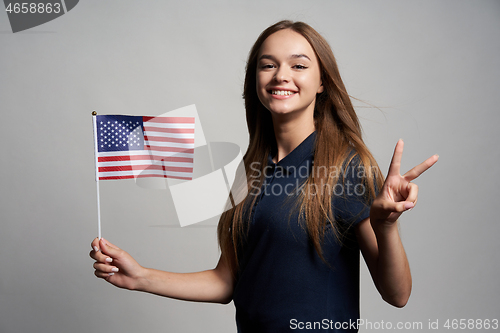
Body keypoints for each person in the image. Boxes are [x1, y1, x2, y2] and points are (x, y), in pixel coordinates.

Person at [90, 20, 438, 332]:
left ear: (322, 83)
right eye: (268, 65)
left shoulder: (346, 166)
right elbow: (226, 282)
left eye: (298, 65)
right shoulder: (248, 170)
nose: (280, 75)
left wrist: (386, 226)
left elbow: (398, 294)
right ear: (255, 80)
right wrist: (141, 277)